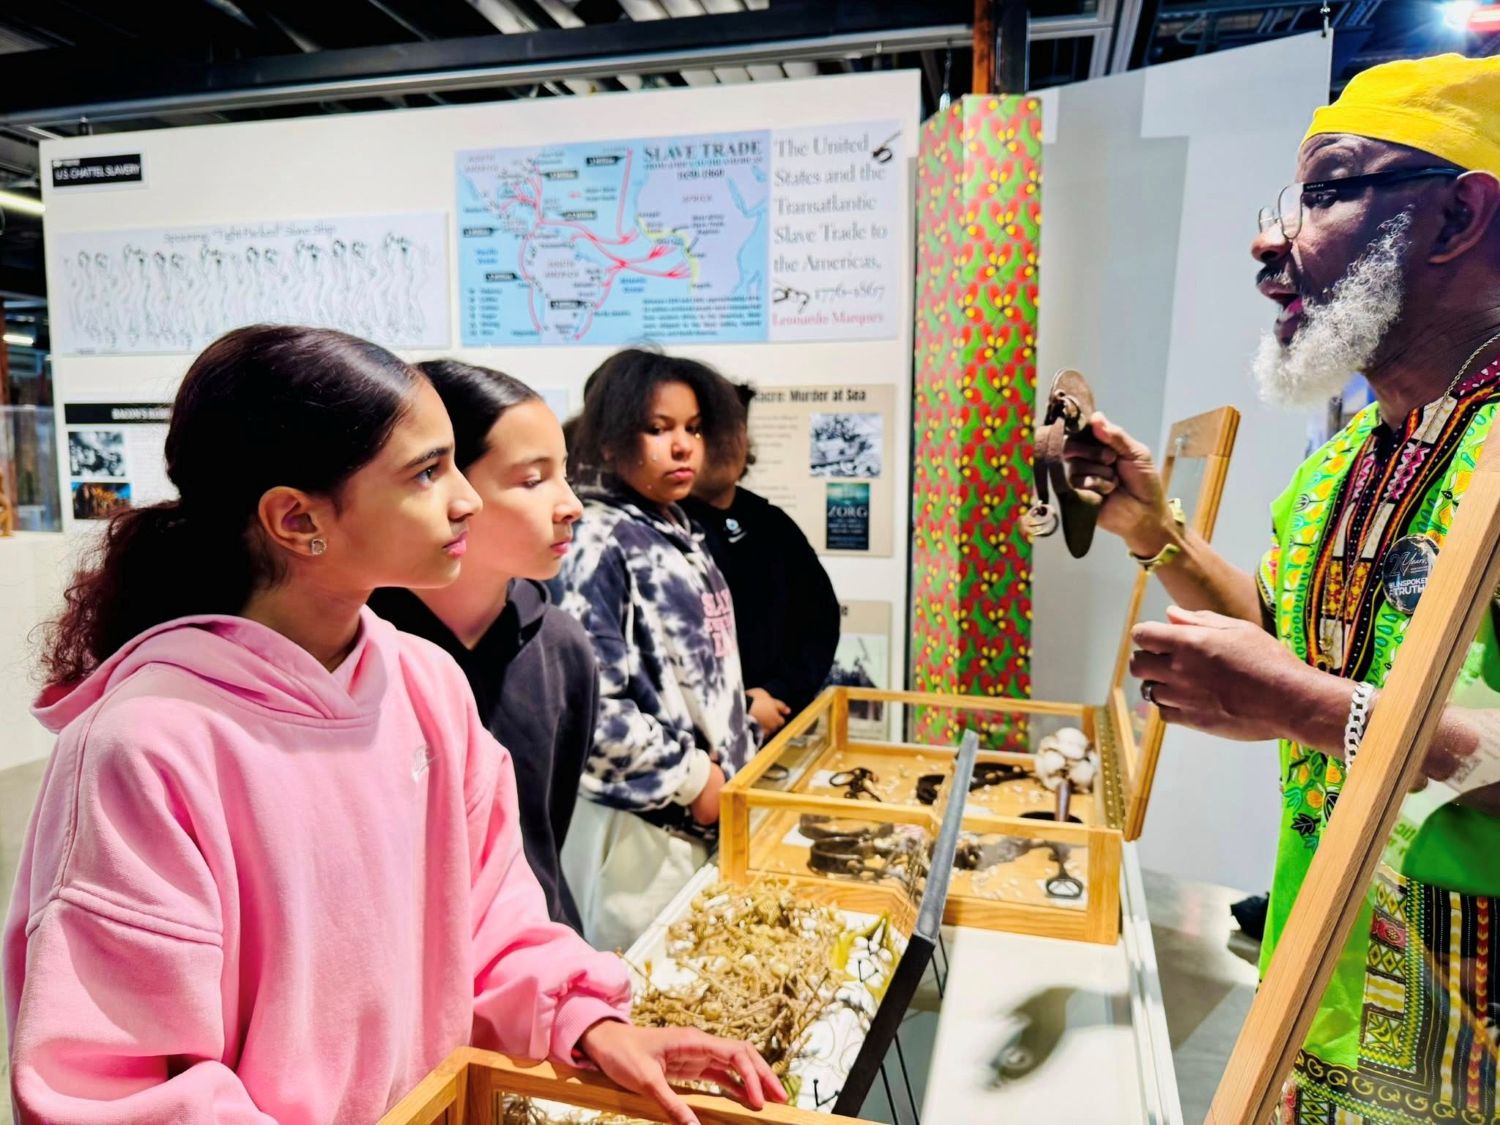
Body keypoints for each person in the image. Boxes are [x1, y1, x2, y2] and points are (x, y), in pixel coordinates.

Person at [4, 326, 784, 1125]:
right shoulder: (148, 744)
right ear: (296, 517)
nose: (468, 499)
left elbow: (491, 914)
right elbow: (116, 1085)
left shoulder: (425, 683)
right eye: (426, 472)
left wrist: (589, 1020)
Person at [1065, 55, 1500, 1121]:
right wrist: (1152, 525)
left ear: (1457, 214)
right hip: (1324, 990)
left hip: (1471, 1039)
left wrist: (1304, 708)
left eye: (1326, 189)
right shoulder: (1346, 457)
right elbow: (1292, 632)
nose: (1270, 240)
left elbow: (1311, 687)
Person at [369, 359, 592, 932]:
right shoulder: (359, 646)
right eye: (533, 480)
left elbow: (544, 838)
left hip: (536, 960)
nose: (571, 505)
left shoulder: (561, 646)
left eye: (565, 473)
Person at [557, 348, 758, 953]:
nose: (683, 447)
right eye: (659, 428)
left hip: (702, 821)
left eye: (693, 428)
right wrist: (694, 779)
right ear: (612, 438)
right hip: (641, 833)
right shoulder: (595, 539)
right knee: (646, 1000)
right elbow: (590, 709)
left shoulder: (670, 528)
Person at [681, 382, 841, 733]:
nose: (723, 442)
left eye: (734, 428)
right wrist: (742, 704)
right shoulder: (658, 530)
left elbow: (819, 618)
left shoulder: (771, 523)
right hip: (694, 744)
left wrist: (777, 693)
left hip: (773, 723)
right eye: (705, 430)